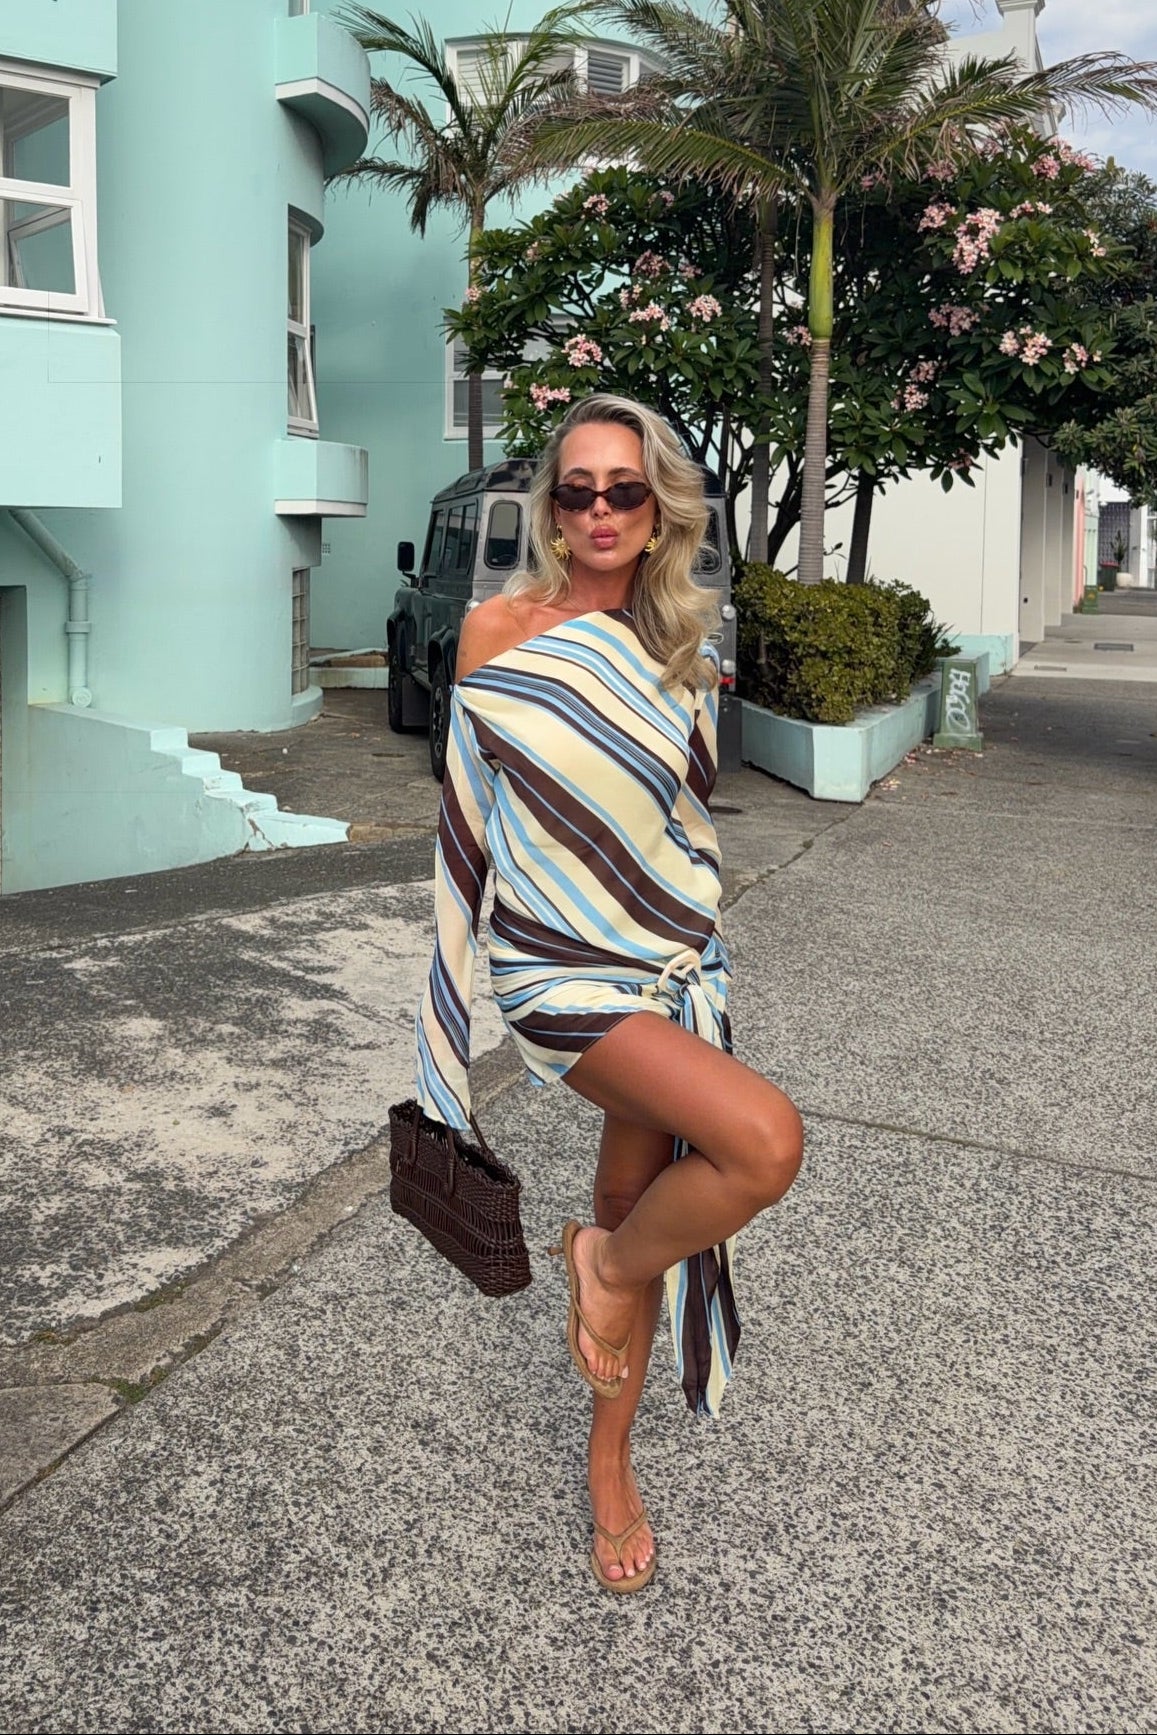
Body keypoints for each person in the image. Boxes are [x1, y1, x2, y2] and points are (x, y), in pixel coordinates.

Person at [415, 393, 803, 1592]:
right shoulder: (497, 628)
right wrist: (447, 995)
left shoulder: (678, 636)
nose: (596, 509)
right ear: (550, 506)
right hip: (556, 971)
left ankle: (608, 1463)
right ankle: (615, 1265)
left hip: (659, 956)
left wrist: (684, 925)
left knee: (631, 1196)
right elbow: (470, 811)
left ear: (656, 509)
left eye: (620, 490)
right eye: (574, 489)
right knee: (761, 1144)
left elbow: (674, 816)